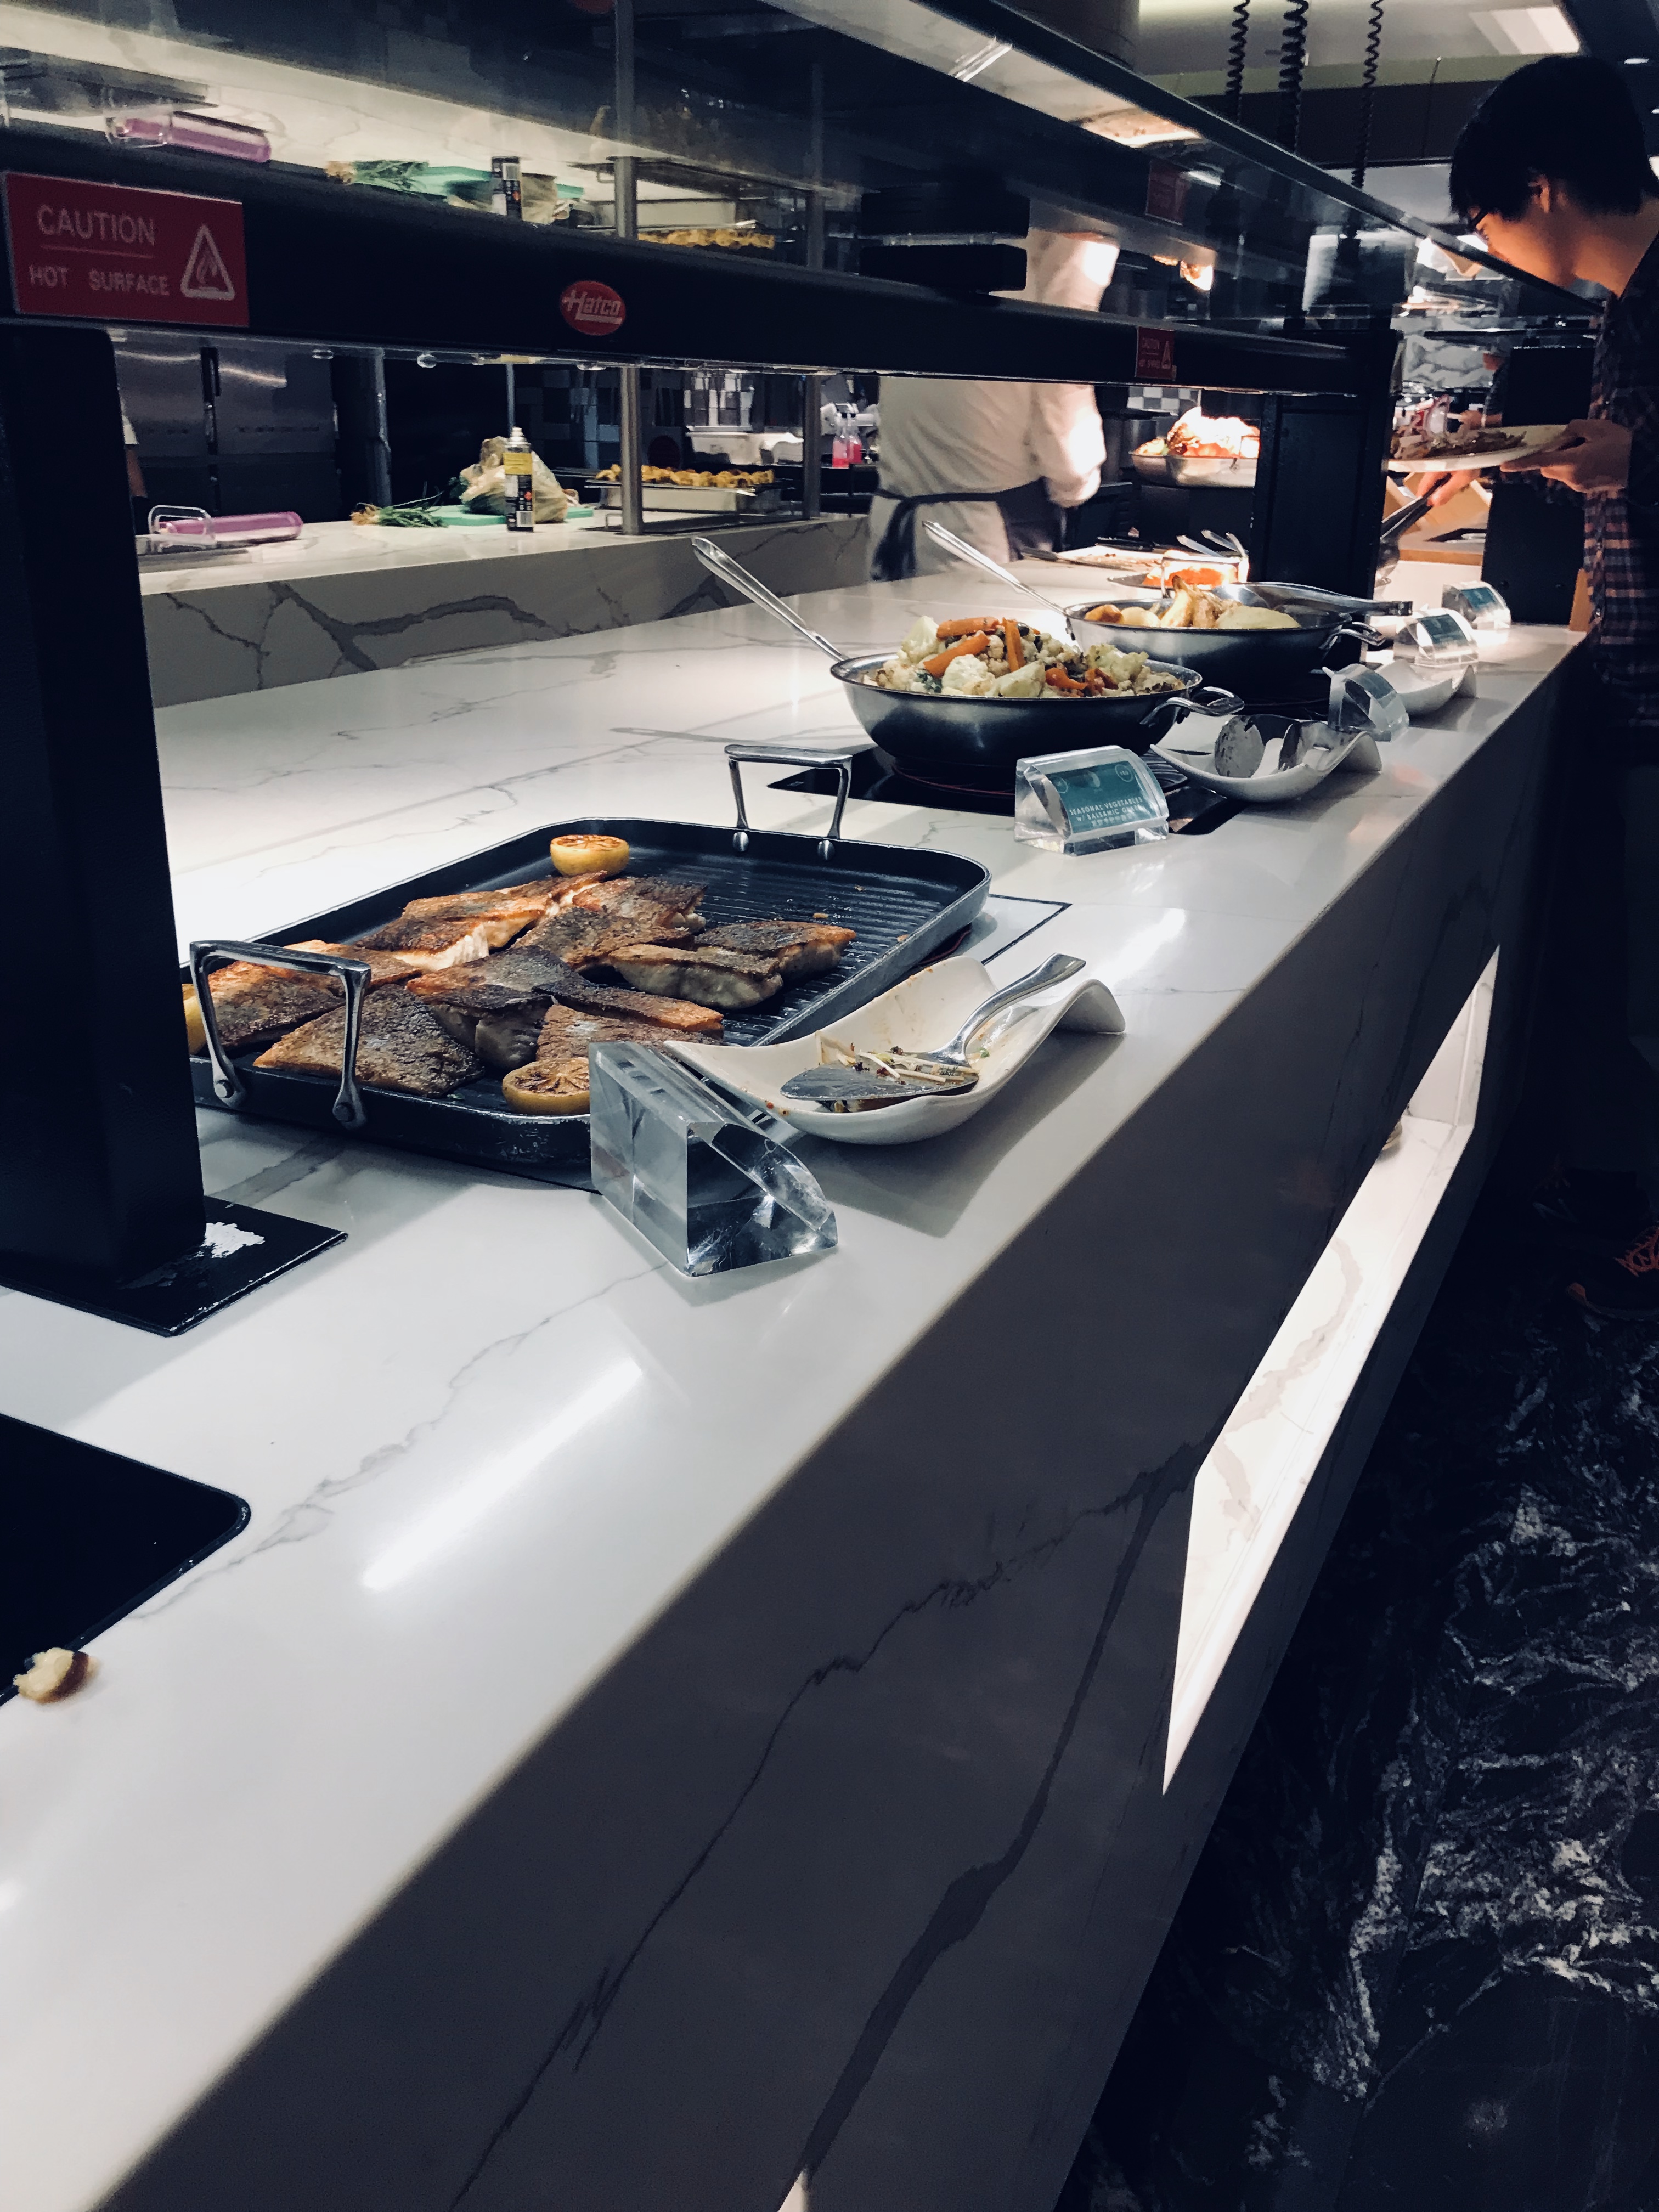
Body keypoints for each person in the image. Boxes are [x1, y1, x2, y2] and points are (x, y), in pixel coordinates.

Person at [1446, 55, 1659, 1316]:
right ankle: (1620, 1191)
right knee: (1631, 967)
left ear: (1539, 188)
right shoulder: (1631, 307)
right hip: (1635, 671)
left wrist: (1635, 458)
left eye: (1487, 220)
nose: (1493, 247)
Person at [868, 230, 1117, 581]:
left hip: (894, 515)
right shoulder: (1079, 222)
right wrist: (1076, 481)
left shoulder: (927, 220)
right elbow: (1065, 350)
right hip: (983, 530)